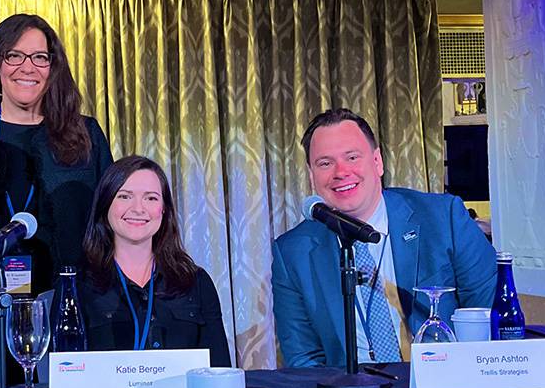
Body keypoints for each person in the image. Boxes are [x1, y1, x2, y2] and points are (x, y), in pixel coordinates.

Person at [271, 108, 496, 368]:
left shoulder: (444, 218)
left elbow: (489, 315)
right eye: (325, 163)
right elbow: (304, 359)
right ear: (312, 176)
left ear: (377, 162)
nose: (341, 172)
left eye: (352, 157)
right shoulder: (292, 253)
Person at [0, 13, 113, 295]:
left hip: (70, 296)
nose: (28, 68)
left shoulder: (85, 134)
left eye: (40, 57)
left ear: (52, 67)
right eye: (14, 56)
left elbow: (107, 219)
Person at [79, 155, 231, 367]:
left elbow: (219, 368)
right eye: (124, 196)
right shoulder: (77, 285)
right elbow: (63, 377)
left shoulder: (195, 282)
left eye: (151, 198)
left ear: (164, 209)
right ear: (105, 206)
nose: (138, 208)